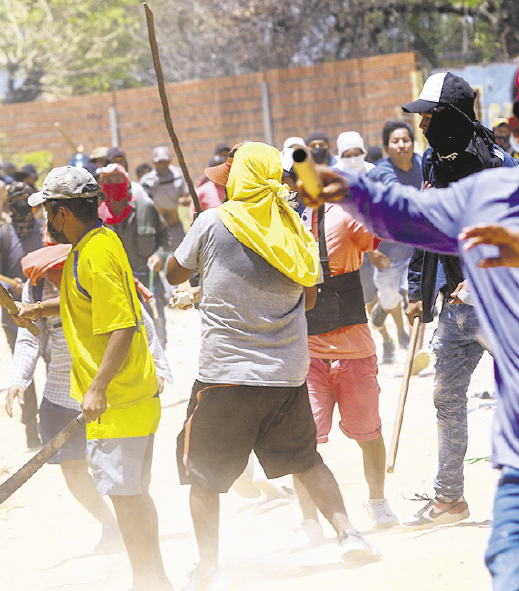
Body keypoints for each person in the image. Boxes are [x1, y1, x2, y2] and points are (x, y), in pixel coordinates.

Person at [297, 43, 519, 590]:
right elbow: (410, 216)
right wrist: (346, 189)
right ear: (518, 128)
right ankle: (449, 492)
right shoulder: (487, 196)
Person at [166, 142, 379, 587]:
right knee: (306, 460)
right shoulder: (295, 227)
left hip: (224, 376)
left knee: (204, 478)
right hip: (285, 374)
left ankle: (209, 568)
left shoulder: (211, 222)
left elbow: (173, 274)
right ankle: (350, 535)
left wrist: (202, 256)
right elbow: (311, 297)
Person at [26, 166, 171, 590]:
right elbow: (89, 305)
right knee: (134, 496)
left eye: (47, 212)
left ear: (62, 212)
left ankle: (147, 580)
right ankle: (154, 578)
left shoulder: (96, 253)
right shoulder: (94, 245)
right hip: (127, 400)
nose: (45, 221)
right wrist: (40, 310)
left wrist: (97, 387)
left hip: (120, 402)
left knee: (127, 500)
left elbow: (123, 324)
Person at [397, 71, 519, 528]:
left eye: (429, 114)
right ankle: (450, 500)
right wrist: (416, 291)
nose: (421, 124)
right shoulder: (433, 162)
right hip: (454, 308)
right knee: (447, 399)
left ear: (449, 115)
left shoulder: (497, 166)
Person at [7, 242, 174, 553]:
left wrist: (159, 367)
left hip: (109, 392)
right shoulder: (34, 290)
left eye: (58, 273)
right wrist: (19, 379)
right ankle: (109, 524)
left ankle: (134, 527)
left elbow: (140, 325)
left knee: (115, 467)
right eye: (49, 276)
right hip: (61, 392)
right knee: (71, 466)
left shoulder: (100, 273)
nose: (55, 282)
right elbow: (30, 339)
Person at [291, 200, 399, 545]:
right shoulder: (283, 219)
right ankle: (309, 520)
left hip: (353, 349)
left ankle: (377, 500)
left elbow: (381, 234)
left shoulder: (345, 214)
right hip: (307, 354)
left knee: (368, 434)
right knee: (303, 442)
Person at [0, 182, 44, 448]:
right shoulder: (2, 237)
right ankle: (31, 428)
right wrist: (14, 287)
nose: (23, 204)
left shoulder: (47, 231)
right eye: (17, 200)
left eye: (26, 198)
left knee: (61, 369)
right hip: (16, 320)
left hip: (51, 313)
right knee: (25, 373)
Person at [366, 120, 422, 364]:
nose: (402, 145)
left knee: (415, 295)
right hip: (386, 252)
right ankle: (383, 307)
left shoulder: (424, 166)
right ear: (387, 147)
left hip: (416, 250)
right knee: (390, 297)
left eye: (406, 140)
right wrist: (370, 252)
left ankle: (415, 352)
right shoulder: (378, 173)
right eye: (395, 141)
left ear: (412, 142)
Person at [98, 164, 172, 347]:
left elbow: (164, 238)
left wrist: (159, 256)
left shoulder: (145, 208)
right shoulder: (97, 218)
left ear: (127, 182)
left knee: (156, 330)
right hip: (116, 287)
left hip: (148, 282)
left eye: (117, 180)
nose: (113, 185)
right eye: (108, 181)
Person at [139, 146, 189, 248]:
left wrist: (184, 201)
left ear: (170, 161)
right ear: (154, 163)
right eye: (159, 162)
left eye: (164, 161)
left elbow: (187, 197)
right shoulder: (147, 180)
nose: (162, 165)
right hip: (157, 227)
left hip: (175, 225)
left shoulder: (178, 175)